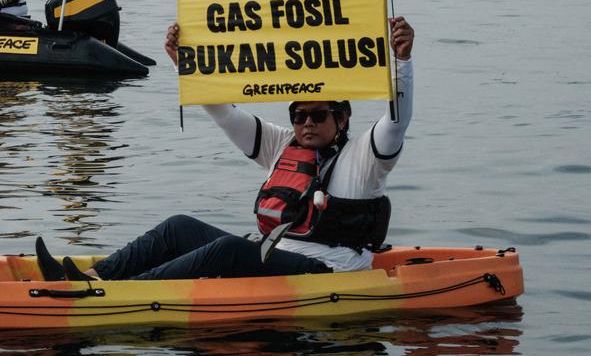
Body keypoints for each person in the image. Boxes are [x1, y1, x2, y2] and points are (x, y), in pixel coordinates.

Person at [35, 16, 415, 282]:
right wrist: (188, 65)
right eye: (299, 115)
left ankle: (113, 294)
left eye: (318, 115)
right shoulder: (282, 143)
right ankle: (94, 276)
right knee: (178, 227)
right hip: (276, 255)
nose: (307, 124)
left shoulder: (366, 158)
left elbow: (397, 120)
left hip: (330, 271)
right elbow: (225, 114)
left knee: (229, 248)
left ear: (342, 119)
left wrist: (401, 62)